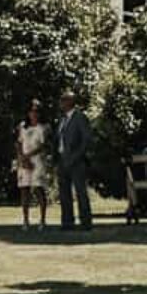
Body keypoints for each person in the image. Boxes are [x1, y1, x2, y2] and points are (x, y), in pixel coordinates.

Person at [55, 91, 93, 230]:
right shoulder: (62, 119)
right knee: (64, 194)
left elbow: (86, 140)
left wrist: (75, 157)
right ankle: (67, 222)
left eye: (63, 100)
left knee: (80, 192)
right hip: (62, 160)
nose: (61, 102)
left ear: (70, 102)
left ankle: (85, 222)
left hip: (76, 161)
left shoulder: (79, 117)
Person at [16, 99, 50, 229]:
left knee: (38, 189)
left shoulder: (43, 128)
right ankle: (25, 220)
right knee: (24, 190)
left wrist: (29, 156)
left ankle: (42, 220)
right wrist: (22, 158)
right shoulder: (23, 127)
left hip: (37, 161)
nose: (34, 114)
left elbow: (43, 145)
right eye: (31, 111)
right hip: (24, 162)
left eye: (36, 111)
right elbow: (18, 143)